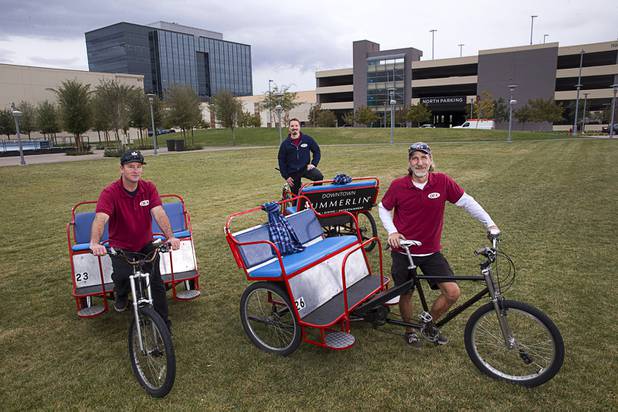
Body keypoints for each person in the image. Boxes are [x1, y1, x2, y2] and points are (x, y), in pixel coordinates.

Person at [378, 142, 500, 345]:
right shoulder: (399, 185)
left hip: (430, 250)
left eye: (424, 158)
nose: (420, 162)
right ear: (410, 162)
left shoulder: (442, 182)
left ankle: (428, 325)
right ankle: (410, 331)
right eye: (415, 158)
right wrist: (392, 232)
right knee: (406, 293)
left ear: (430, 161)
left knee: (452, 292)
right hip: (403, 250)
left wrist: (490, 224)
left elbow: (467, 202)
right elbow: (383, 207)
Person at [90, 150, 180, 330]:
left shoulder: (149, 188)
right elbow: (101, 218)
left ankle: (164, 324)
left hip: (146, 244)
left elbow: (159, 213)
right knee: (122, 276)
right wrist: (95, 242)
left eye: (139, 167)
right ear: (121, 169)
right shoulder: (110, 192)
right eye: (131, 167)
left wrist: (170, 236)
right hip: (121, 246)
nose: (135, 171)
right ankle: (121, 293)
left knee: (156, 283)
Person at [277, 118, 323, 194]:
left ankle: (314, 196)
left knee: (319, 177)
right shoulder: (285, 144)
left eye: (296, 125)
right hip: (292, 172)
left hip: (305, 168)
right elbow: (281, 160)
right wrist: (286, 176)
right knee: (296, 198)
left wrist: (314, 164)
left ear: (299, 127)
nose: (294, 128)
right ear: (289, 128)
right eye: (292, 126)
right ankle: (297, 202)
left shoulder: (307, 139)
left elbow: (317, 151)